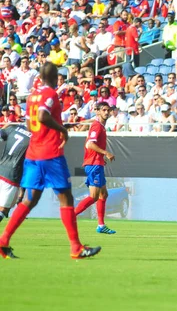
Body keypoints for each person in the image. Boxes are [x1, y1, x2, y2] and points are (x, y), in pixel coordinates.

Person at [0, 63, 101, 259]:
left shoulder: (31, 96)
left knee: (30, 199)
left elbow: (30, 122)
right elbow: (42, 116)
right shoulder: (51, 94)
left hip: (33, 153)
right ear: (54, 76)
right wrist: (62, 130)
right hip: (51, 153)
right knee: (66, 198)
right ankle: (76, 247)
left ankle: (3, 241)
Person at [73, 102, 117, 234]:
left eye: (108, 110)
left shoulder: (101, 126)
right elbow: (90, 144)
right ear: (97, 111)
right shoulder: (97, 126)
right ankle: (71, 216)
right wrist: (106, 153)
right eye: (104, 110)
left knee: (104, 194)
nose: (106, 112)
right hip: (93, 164)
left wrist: (101, 156)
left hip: (97, 163)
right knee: (94, 196)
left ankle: (101, 225)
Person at [0, 126, 31, 224]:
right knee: (3, 209)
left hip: (1, 167)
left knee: (8, 207)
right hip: (11, 175)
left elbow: (2, 133)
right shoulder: (36, 138)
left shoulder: (13, 127)